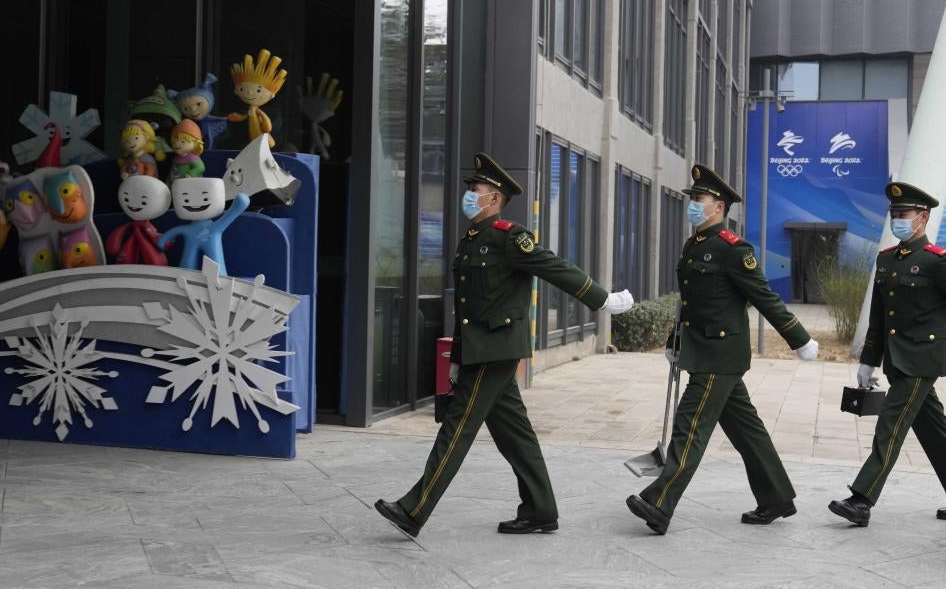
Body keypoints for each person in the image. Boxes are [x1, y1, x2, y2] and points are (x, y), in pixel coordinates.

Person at [375, 152, 634, 538]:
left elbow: (556, 268)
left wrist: (602, 301)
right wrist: (458, 357)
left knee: (458, 427)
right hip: (480, 348)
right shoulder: (471, 241)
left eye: (475, 190)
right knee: (515, 433)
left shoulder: (510, 237)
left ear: (494, 198)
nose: (469, 195)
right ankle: (540, 510)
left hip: (496, 348)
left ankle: (414, 508)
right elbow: (467, 309)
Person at [626, 164, 819, 535]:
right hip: (702, 349)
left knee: (690, 425)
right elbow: (690, 303)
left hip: (720, 354)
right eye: (692, 198)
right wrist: (674, 341)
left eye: (699, 199)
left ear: (719, 207)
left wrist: (800, 338)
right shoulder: (694, 244)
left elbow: (763, 296)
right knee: (747, 430)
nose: (693, 205)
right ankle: (776, 496)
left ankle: (659, 502)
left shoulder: (734, 249)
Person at [829, 181, 946, 527]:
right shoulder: (886, 260)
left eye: (904, 214)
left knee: (891, 423)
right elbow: (880, 317)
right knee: (934, 430)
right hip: (898, 360)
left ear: (922, 218)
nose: (897, 219)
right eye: (893, 214)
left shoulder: (937, 262)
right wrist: (868, 359)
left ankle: (862, 499)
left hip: (922, 359)